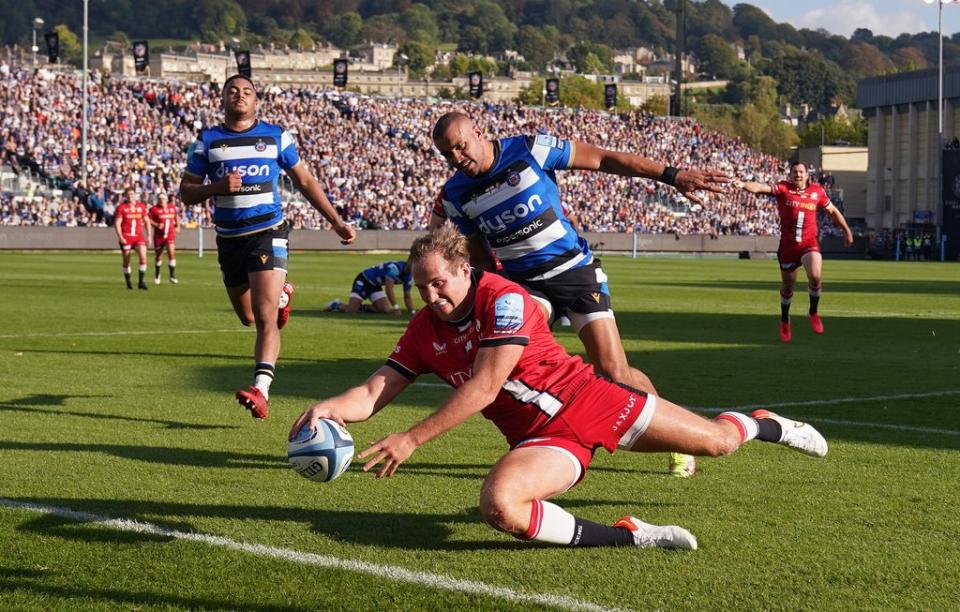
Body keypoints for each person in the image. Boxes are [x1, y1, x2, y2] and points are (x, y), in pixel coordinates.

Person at [290, 227, 828, 550]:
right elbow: (370, 393)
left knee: (719, 443)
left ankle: (765, 423)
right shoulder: (423, 330)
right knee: (501, 507)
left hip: (591, 400)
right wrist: (325, 410)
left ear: (465, 270)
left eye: (440, 282)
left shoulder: (502, 298)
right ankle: (632, 535)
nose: (431, 295)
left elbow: (484, 386)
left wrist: (411, 439)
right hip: (542, 438)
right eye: (422, 286)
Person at [430, 112, 731, 477]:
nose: (458, 158)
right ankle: (546, 440)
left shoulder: (531, 149)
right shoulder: (456, 194)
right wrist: (490, 296)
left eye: (461, 147)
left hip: (574, 273)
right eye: (448, 154)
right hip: (526, 287)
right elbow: (477, 255)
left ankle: (679, 437)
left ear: (478, 132)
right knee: (505, 362)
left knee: (613, 370)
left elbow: (603, 159)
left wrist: (671, 175)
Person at [179, 74, 357, 419]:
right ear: (223, 100)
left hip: (268, 231)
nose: (239, 96)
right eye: (233, 91)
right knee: (247, 317)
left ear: (256, 100)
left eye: (247, 92)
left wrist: (334, 220)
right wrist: (216, 186)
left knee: (264, 317)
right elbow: (186, 192)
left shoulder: (276, 136)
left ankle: (261, 389)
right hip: (229, 239)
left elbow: (304, 180)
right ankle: (283, 296)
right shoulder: (206, 141)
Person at [733, 161, 853, 342]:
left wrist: (847, 230)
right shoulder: (783, 188)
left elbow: (833, 211)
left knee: (815, 276)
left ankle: (813, 312)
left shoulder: (817, 192)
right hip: (788, 246)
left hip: (809, 244)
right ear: (790, 175)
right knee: (788, 287)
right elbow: (758, 187)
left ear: (807, 175)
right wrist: (743, 184)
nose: (798, 175)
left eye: (801, 172)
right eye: (795, 172)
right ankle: (784, 319)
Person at [324, 260, 416, 316]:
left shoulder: (409, 276)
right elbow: (389, 289)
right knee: (351, 310)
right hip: (364, 280)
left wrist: (413, 311)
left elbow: (407, 296)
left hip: (375, 285)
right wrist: (396, 307)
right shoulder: (394, 269)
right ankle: (336, 304)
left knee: (384, 309)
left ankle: (359, 307)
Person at [114, 188, 151, 290]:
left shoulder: (141, 207)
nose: (130, 196)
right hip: (126, 237)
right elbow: (117, 223)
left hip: (138, 237)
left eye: (132, 194)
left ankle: (141, 282)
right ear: (126, 196)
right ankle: (128, 282)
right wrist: (120, 237)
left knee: (143, 257)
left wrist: (149, 236)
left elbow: (147, 221)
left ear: (135, 195)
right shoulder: (122, 208)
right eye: (128, 194)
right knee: (127, 260)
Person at [148, 192, 180, 284]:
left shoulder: (172, 208)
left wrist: (178, 226)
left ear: (166, 199)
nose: (161, 200)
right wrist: (157, 224)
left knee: (171, 252)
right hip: (159, 236)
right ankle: (157, 274)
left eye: (163, 198)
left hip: (170, 234)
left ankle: (172, 276)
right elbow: (148, 220)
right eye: (160, 198)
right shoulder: (154, 209)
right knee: (159, 256)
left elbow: (176, 216)